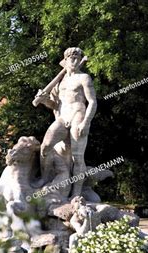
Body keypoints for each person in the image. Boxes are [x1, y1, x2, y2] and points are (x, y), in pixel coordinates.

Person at [35, 47, 97, 198]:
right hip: (63, 116)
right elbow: (54, 104)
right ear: (66, 60)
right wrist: (44, 100)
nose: (75, 61)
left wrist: (86, 122)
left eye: (77, 58)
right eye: (72, 58)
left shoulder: (84, 78)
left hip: (78, 114)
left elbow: (92, 101)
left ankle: (76, 194)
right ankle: (45, 178)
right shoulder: (60, 82)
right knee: (46, 146)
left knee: (77, 157)